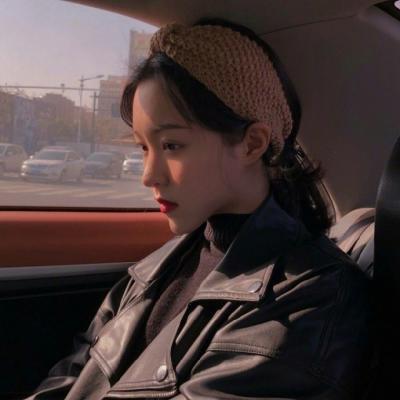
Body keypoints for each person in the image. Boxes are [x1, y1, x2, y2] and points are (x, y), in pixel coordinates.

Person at [26, 18, 373, 400]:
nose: (148, 175)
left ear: (252, 144)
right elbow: (70, 378)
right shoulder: (156, 268)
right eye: (143, 147)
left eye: (172, 146)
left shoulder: (311, 296)